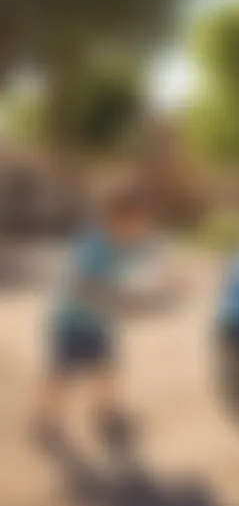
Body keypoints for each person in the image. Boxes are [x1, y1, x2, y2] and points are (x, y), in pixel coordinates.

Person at [36, 183, 155, 451]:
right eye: (136, 221)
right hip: (70, 322)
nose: (141, 228)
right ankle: (45, 420)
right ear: (116, 218)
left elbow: (142, 263)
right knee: (61, 376)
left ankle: (107, 414)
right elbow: (84, 286)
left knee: (107, 370)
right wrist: (123, 302)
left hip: (99, 322)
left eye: (143, 222)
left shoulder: (128, 244)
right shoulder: (93, 244)